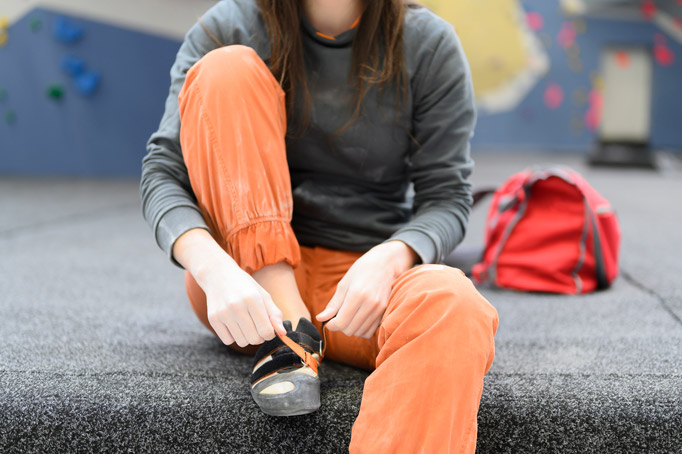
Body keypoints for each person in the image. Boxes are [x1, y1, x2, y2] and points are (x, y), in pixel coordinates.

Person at [140, 0, 499, 451]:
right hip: (245, 283)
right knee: (224, 69)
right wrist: (214, 270)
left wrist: (391, 259)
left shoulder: (429, 43)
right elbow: (163, 173)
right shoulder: (231, 23)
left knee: (455, 305)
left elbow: (446, 197)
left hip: (358, 291)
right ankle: (290, 335)